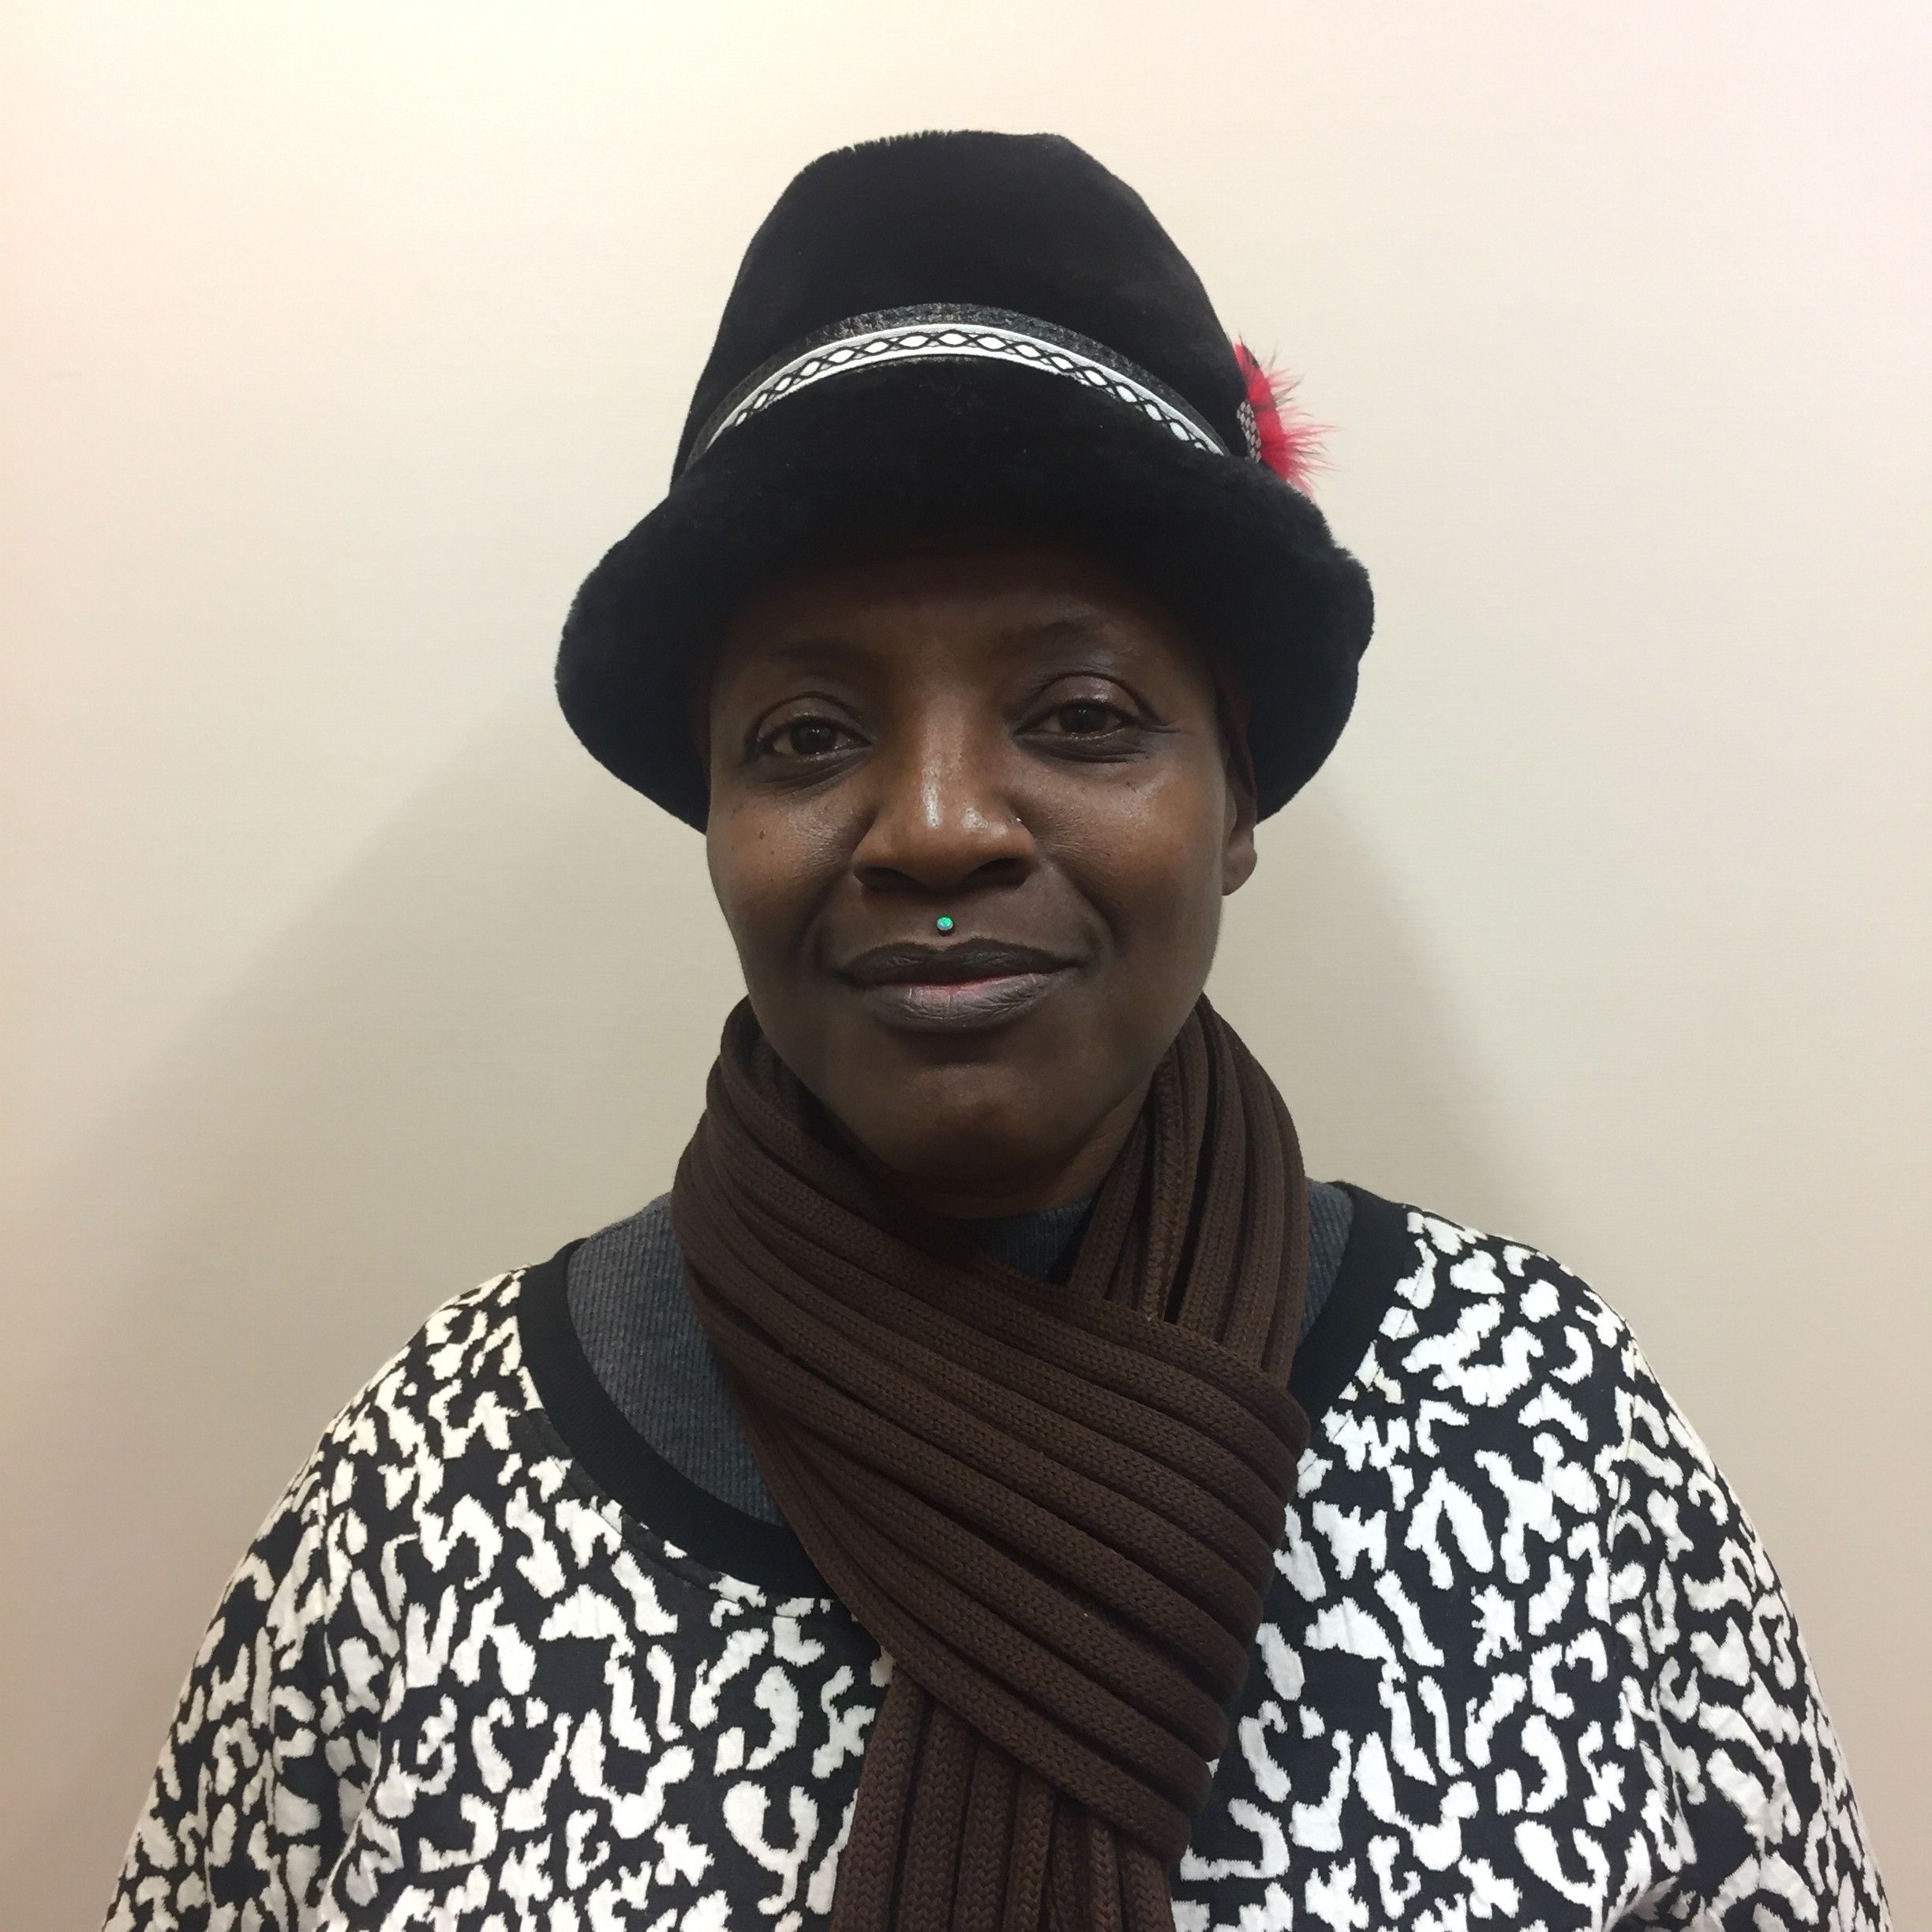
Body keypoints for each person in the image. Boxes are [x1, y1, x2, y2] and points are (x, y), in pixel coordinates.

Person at [106, 132, 1886, 1932]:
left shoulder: (1548, 1435)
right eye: (807, 737)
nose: (940, 828)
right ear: (716, 817)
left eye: (1084, 713)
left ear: (1236, 800)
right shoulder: (426, 1498)